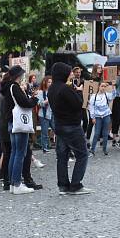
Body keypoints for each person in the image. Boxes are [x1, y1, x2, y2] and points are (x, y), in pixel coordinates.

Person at [48, 62, 91, 195]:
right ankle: (76, 185)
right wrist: (79, 92)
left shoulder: (52, 88)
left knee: (62, 156)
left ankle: (63, 185)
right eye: (69, 72)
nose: (71, 74)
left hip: (59, 124)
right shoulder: (65, 88)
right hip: (71, 125)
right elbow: (78, 104)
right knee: (82, 154)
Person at [2, 65, 39, 195]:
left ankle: (13, 183)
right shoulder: (15, 87)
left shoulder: (7, 87)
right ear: (19, 75)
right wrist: (34, 98)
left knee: (14, 152)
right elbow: (25, 103)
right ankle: (17, 183)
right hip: (19, 122)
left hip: (12, 122)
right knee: (20, 153)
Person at [89, 81, 114, 157]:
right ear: (98, 87)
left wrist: (112, 87)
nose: (103, 88)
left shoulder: (107, 95)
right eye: (102, 86)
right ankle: (92, 150)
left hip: (106, 115)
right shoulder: (94, 96)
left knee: (105, 133)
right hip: (97, 116)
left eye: (104, 86)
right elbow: (91, 107)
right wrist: (92, 117)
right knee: (96, 133)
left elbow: (113, 96)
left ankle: (105, 149)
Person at [38, 76, 54, 154]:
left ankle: (53, 145)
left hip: (52, 113)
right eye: (49, 82)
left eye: (51, 82)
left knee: (56, 129)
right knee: (44, 132)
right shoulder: (41, 92)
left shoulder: (53, 91)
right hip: (43, 114)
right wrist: (47, 101)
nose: (50, 84)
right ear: (45, 83)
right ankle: (45, 147)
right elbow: (39, 104)